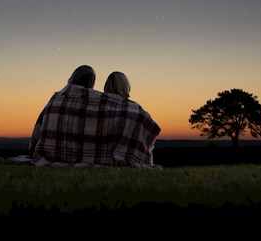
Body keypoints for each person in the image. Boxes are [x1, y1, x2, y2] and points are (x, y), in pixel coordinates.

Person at [27, 65, 162, 168]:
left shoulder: (56, 99)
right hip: (107, 156)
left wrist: (33, 150)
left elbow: (38, 130)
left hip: (54, 154)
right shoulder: (127, 108)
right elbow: (147, 126)